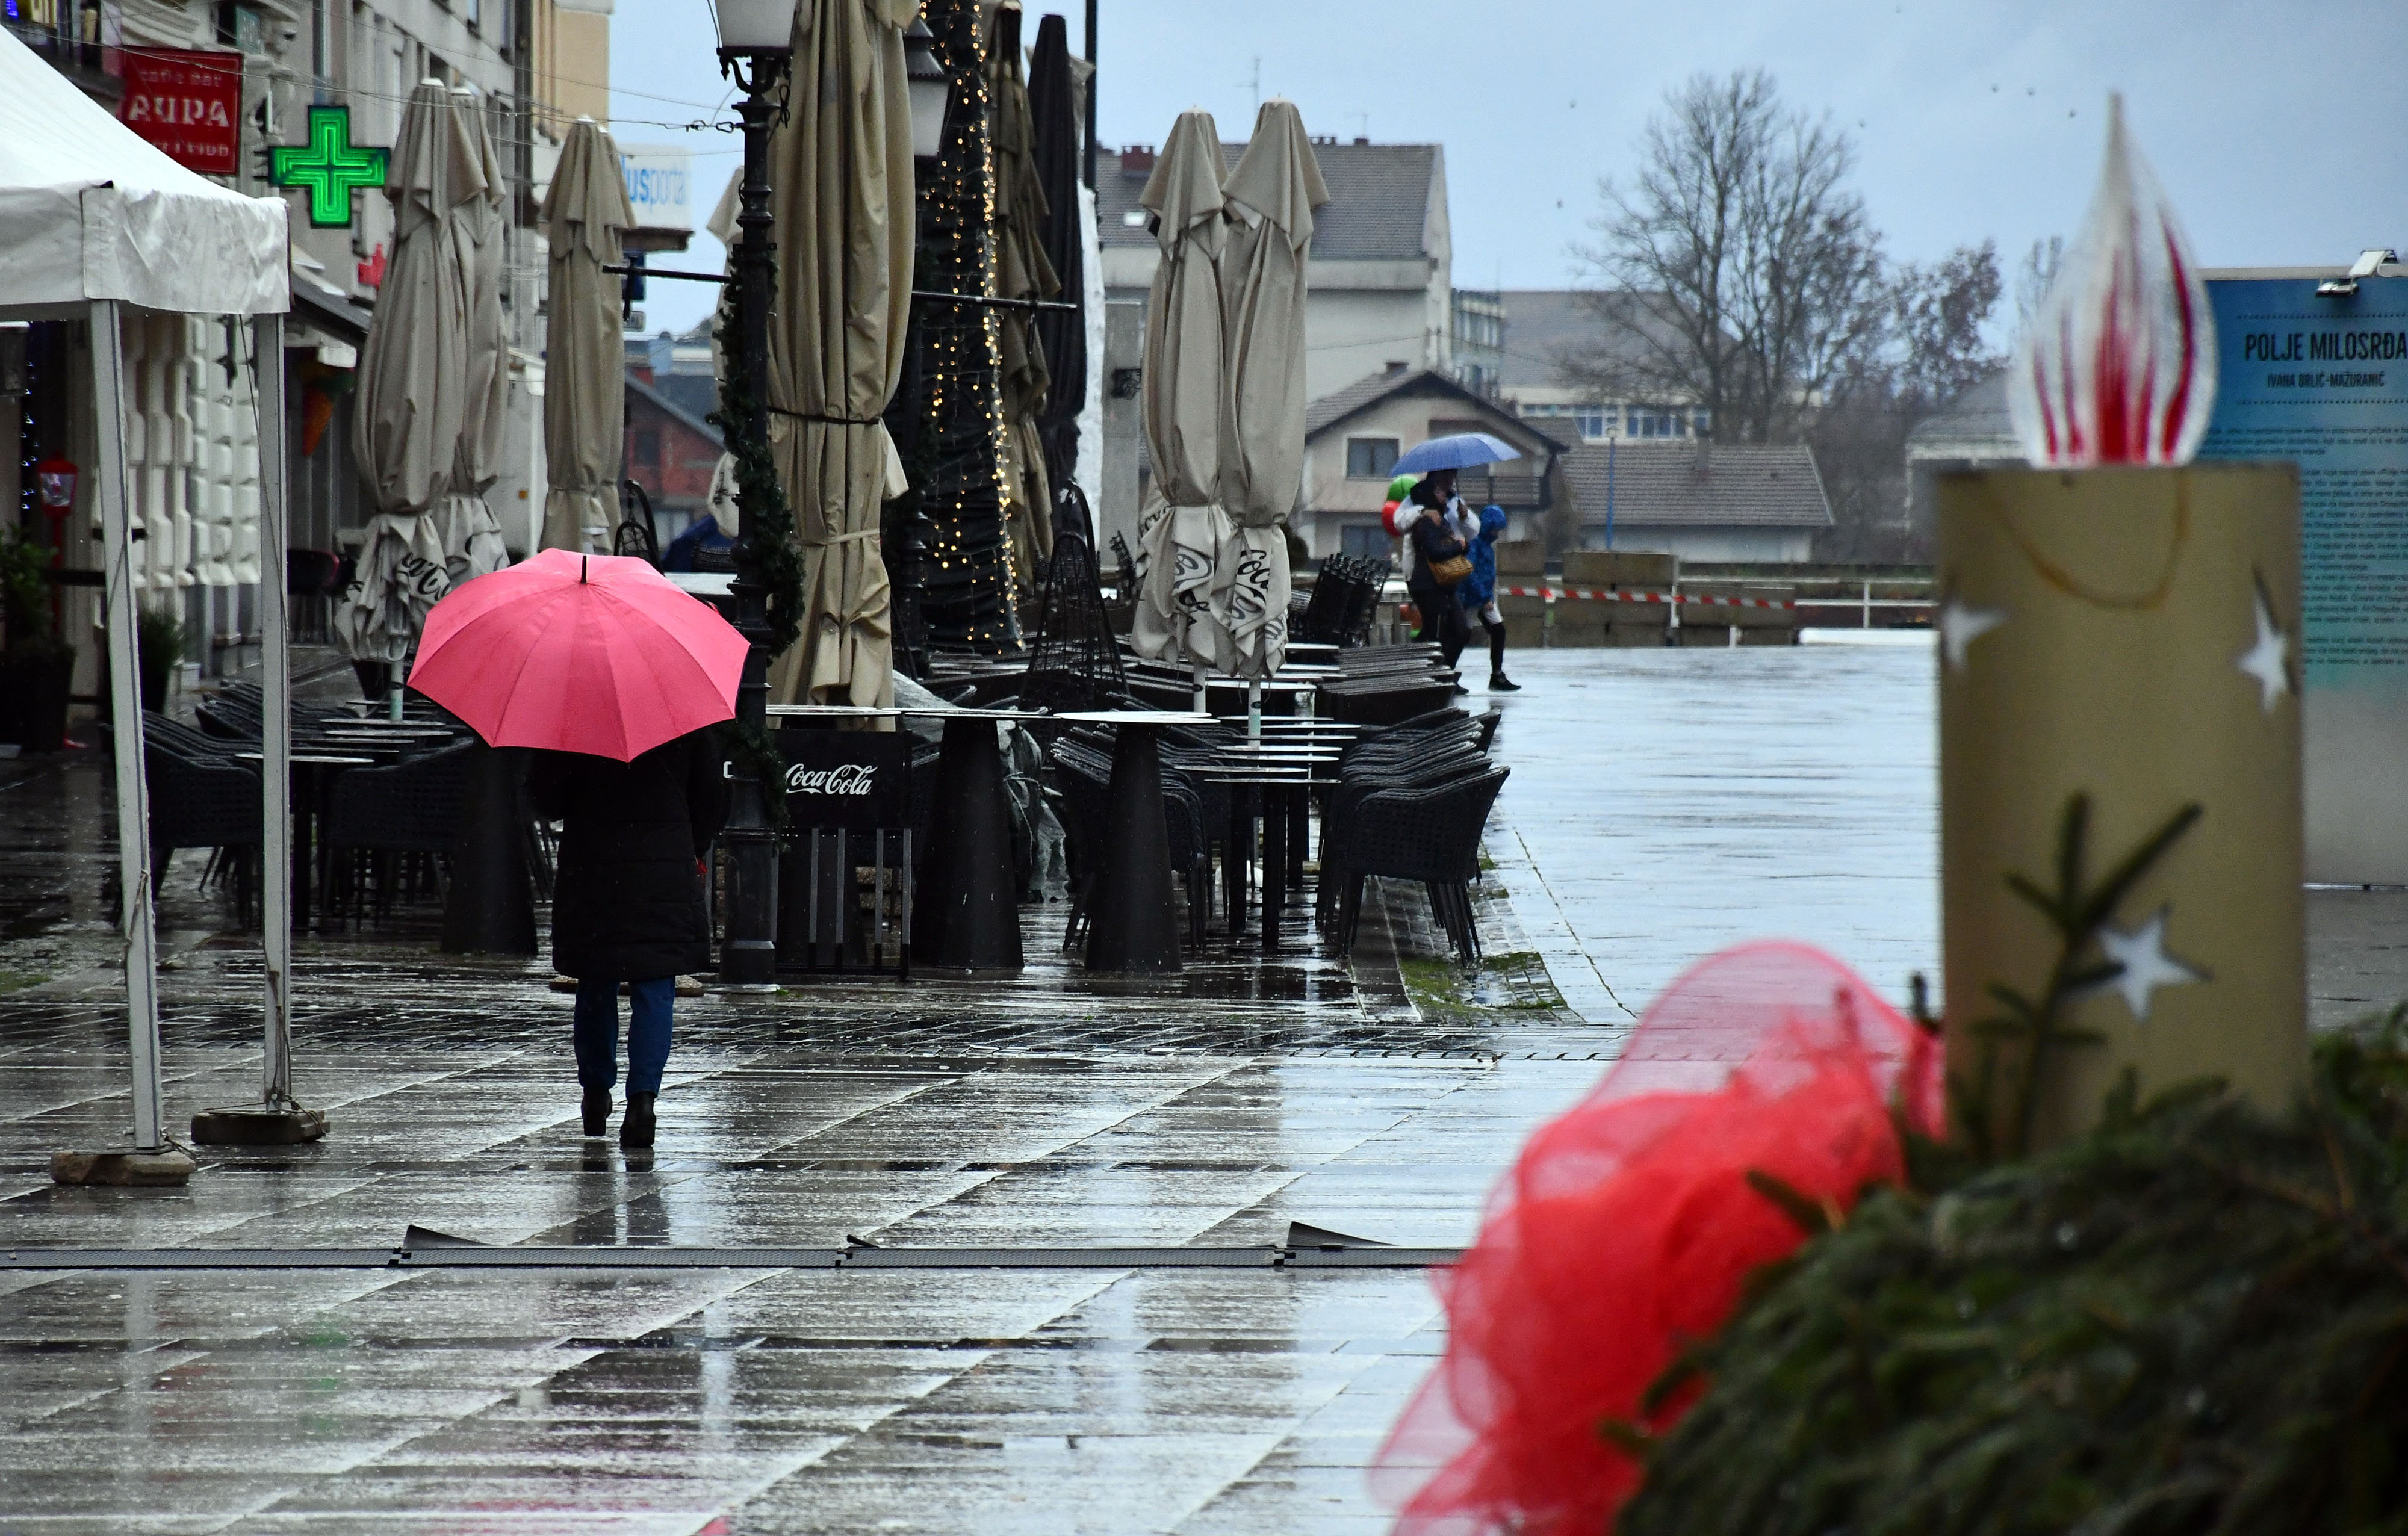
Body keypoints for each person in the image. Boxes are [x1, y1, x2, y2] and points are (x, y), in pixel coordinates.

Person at [527, 726, 730, 1148]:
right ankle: (643, 1101)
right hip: (663, 870)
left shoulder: (575, 719)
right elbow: (712, 802)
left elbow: (545, 800)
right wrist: (690, 842)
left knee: (596, 982)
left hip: (593, 869)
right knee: (656, 987)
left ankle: (595, 1092)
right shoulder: (682, 718)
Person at [1402, 470, 1473, 688]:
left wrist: (1462, 543)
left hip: (1445, 585)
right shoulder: (1425, 522)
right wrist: (1456, 546)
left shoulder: (1442, 520)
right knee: (1434, 633)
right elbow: (1434, 551)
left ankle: (1445, 673)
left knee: (1461, 630)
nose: (1444, 494)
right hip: (1429, 585)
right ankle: (1425, 675)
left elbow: (1461, 543)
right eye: (1439, 491)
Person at [1458, 503, 1521, 692]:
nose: (1497, 534)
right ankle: (1494, 675)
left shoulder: (1483, 546)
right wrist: (1484, 597)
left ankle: (1497, 674)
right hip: (1475, 599)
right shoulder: (1476, 547)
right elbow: (1470, 572)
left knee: (1497, 630)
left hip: (1482, 598)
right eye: (1496, 530)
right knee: (1463, 635)